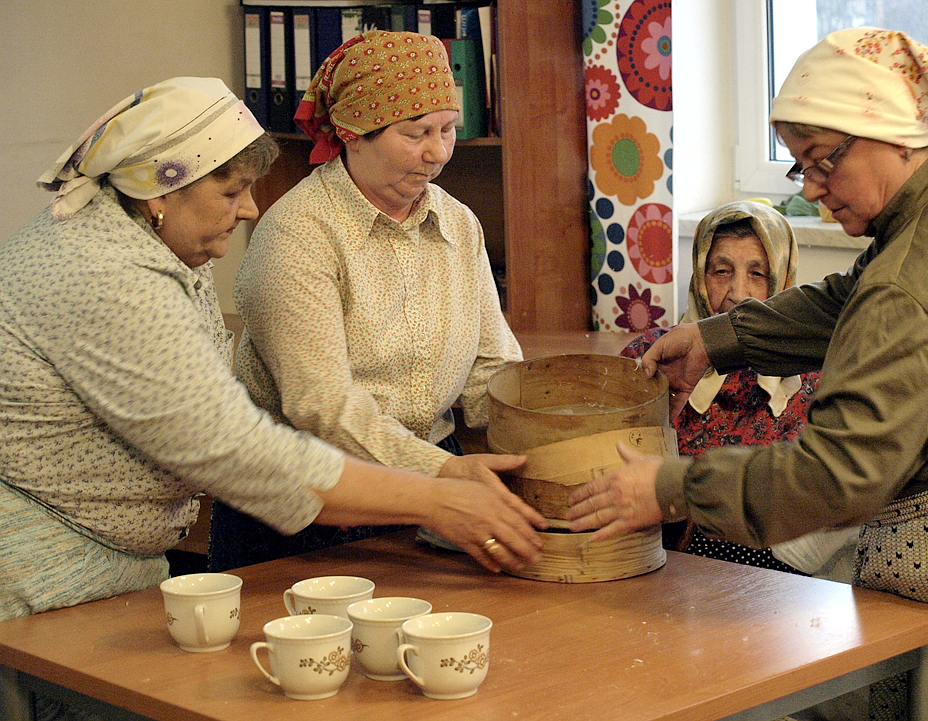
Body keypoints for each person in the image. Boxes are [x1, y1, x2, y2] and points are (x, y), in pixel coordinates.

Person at [567, 27, 928, 719]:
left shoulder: (909, 286)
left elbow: (838, 475)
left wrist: (671, 487)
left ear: (897, 135)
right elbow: (847, 302)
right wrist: (717, 340)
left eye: (824, 161)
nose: (811, 189)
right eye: (798, 167)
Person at [0, 76, 545, 626]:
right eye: (231, 193)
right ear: (159, 194)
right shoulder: (108, 276)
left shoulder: (156, 246)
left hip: (106, 566)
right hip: (43, 574)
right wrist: (436, 495)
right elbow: (233, 448)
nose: (249, 210)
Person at [208, 31, 524, 570]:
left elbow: (490, 369)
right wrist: (441, 476)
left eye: (448, 129)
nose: (437, 153)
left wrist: (543, 442)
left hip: (434, 485)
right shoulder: (298, 233)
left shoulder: (458, 223)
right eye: (416, 133)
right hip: (316, 503)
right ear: (353, 134)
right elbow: (322, 406)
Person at [620, 201, 857, 580]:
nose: (737, 294)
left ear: (783, 282)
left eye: (758, 274)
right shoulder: (655, 357)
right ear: (700, 274)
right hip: (656, 569)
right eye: (721, 271)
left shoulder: (814, 378)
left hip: (776, 585)